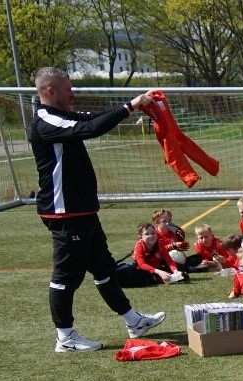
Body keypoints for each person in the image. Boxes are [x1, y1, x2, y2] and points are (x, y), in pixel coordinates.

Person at [29, 67, 164, 352]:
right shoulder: (46, 120)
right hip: (65, 212)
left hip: (83, 210)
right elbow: (90, 129)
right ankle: (65, 337)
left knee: (104, 268)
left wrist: (132, 107)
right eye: (68, 89)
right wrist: (129, 107)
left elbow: (93, 119)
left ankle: (133, 321)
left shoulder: (63, 115)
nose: (73, 94)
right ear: (50, 91)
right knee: (66, 277)